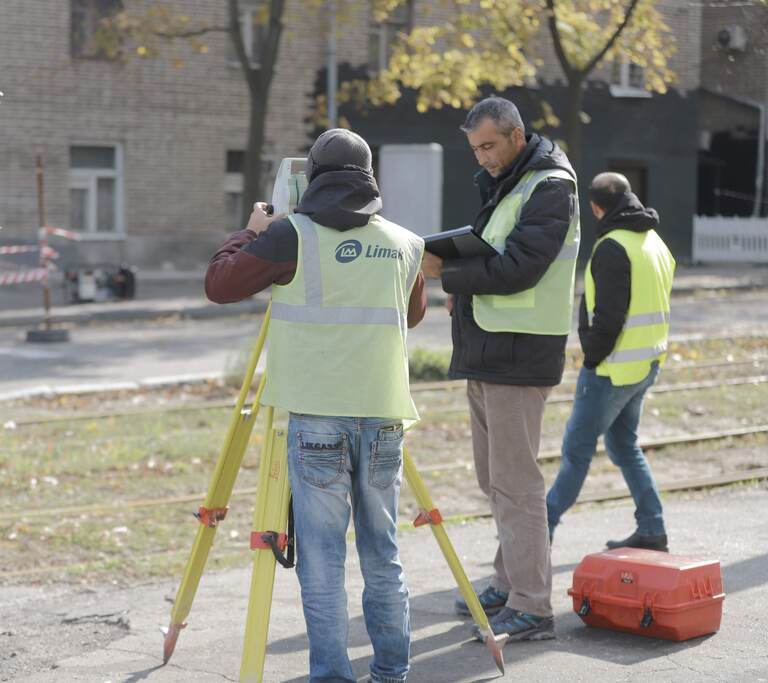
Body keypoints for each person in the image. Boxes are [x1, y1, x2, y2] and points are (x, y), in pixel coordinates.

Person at [206, 128, 427, 683]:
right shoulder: (406, 242)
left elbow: (221, 285)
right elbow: (413, 314)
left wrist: (249, 233)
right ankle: (392, 672)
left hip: (317, 419)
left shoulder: (289, 235)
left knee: (324, 562)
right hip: (383, 417)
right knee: (384, 555)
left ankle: (332, 676)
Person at [420, 96, 579, 642]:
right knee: (496, 479)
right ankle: (510, 581)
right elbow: (496, 249)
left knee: (516, 483)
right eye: (475, 148)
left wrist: (451, 274)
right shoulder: (513, 180)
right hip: (491, 343)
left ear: (516, 135)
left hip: (520, 349)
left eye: (489, 146)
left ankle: (533, 604)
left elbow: (520, 267)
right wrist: (459, 281)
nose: (482, 157)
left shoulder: (550, 186)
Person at [546, 172, 675, 551]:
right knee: (623, 446)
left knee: (576, 452)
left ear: (596, 207)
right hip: (646, 363)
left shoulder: (611, 247)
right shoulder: (655, 243)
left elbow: (608, 319)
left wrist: (591, 360)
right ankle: (652, 528)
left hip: (611, 370)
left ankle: (539, 532)